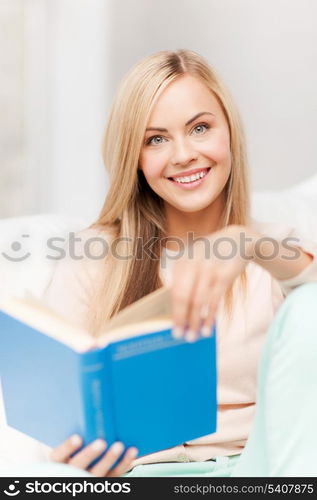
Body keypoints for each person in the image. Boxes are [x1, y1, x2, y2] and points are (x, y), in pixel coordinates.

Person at [2, 49, 317, 478]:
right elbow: (58, 408)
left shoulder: (270, 246)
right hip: (137, 476)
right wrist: (74, 455)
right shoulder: (93, 255)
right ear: (134, 157)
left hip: (258, 467)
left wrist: (245, 243)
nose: (183, 154)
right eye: (156, 139)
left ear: (230, 134)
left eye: (200, 128)